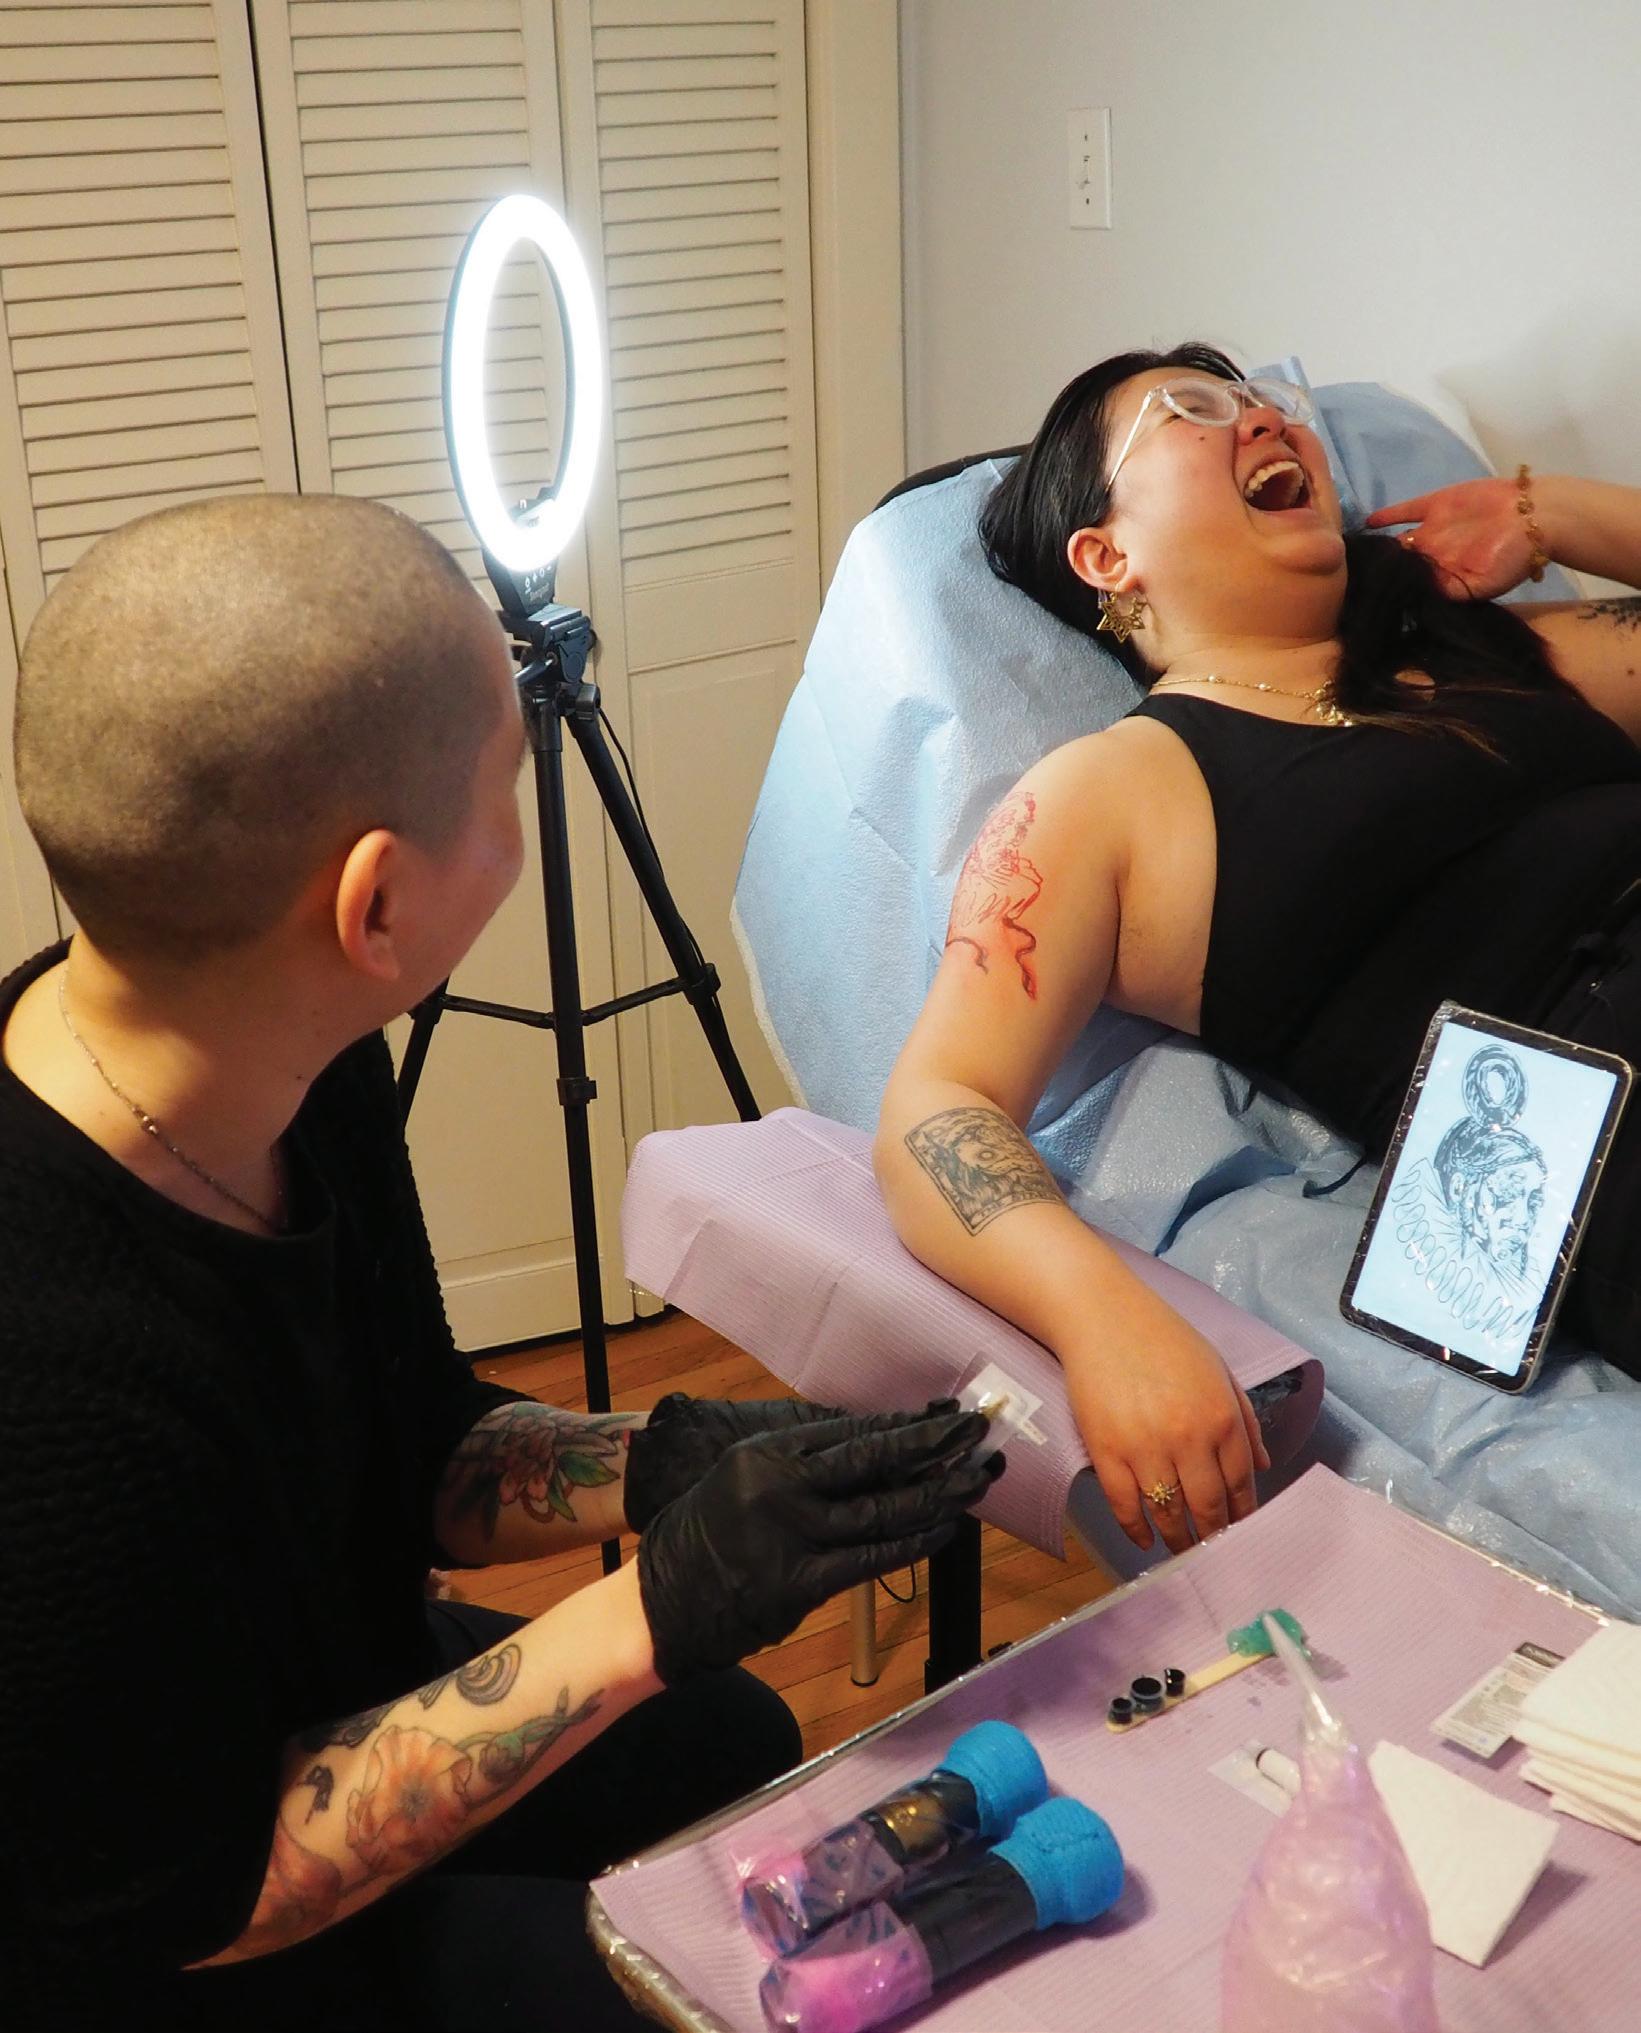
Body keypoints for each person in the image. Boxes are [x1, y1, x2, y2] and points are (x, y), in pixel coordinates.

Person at [0, 495, 1001, 2030]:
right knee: (696, 1983)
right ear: (377, 905)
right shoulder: (53, 1370)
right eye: (505, 790)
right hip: (162, 1938)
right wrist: (654, 1611)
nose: (520, 835)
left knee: (731, 1746)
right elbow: (201, 1891)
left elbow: (413, 1441)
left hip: (321, 1687)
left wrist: (663, 1461)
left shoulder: (279, 1043)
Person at [874, 342, 1641, 1561]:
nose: (1263, 422)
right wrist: (1103, 1319)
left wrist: (1550, 515)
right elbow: (936, 1105)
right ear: (1105, 555)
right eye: (1193, 410)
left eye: (1264, 402)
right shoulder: (1108, 793)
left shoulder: (1494, 656)